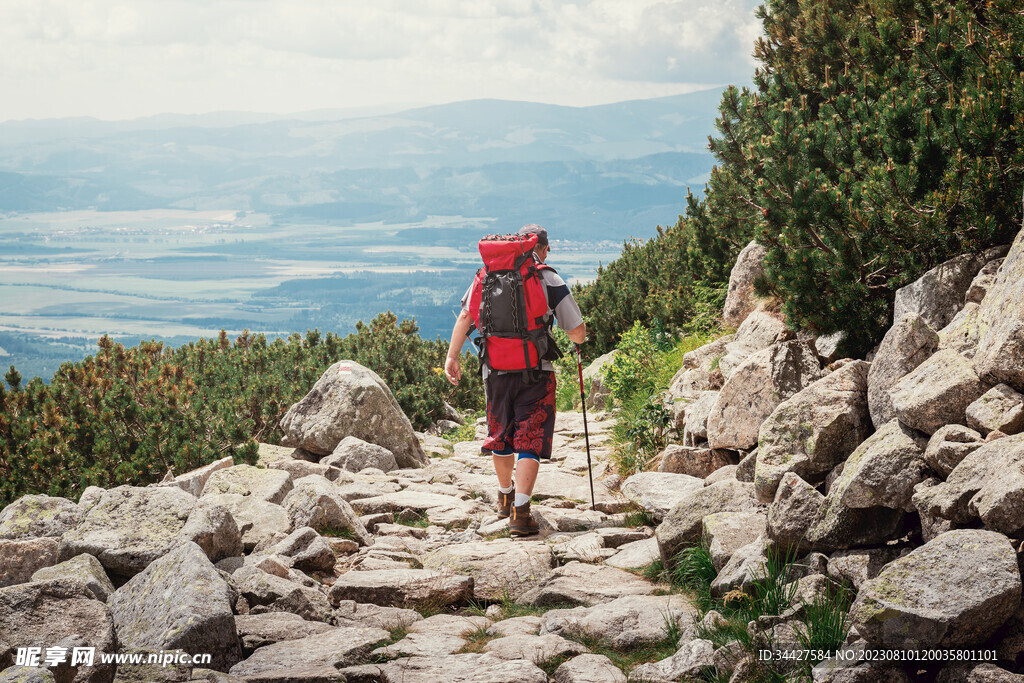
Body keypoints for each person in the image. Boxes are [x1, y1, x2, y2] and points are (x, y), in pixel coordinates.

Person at [444, 224, 586, 537]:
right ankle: (521, 513)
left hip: (494, 369)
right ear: (543, 248)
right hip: (537, 370)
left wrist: (452, 356)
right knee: (530, 437)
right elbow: (575, 328)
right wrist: (580, 338)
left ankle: (504, 494)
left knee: (501, 434)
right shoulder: (548, 277)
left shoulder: (486, 274)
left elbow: (467, 317)